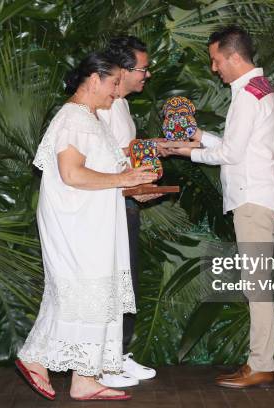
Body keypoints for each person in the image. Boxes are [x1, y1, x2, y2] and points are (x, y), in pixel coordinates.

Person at [15, 51, 159, 402]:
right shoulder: (74, 119)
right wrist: (123, 177)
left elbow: (101, 175)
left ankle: (85, 378)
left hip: (91, 223)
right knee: (80, 293)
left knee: (94, 295)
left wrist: (132, 185)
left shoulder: (90, 118)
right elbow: (72, 173)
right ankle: (34, 357)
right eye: (112, 83)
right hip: (76, 225)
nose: (115, 90)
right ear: (94, 79)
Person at [161, 25, 274, 388]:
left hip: (253, 199)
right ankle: (257, 362)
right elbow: (240, 147)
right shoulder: (258, 88)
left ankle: (261, 364)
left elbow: (230, 154)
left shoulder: (248, 94)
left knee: (256, 285)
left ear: (233, 57)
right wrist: (198, 137)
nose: (214, 68)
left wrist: (185, 150)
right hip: (258, 196)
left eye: (216, 61)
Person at [96, 35, 158, 388]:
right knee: (116, 281)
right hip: (112, 204)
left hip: (124, 202)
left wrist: (155, 150)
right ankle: (107, 362)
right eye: (142, 69)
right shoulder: (106, 105)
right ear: (122, 70)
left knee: (126, 281)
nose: (145, 75)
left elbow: (126, 153)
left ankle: (116, 356)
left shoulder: (119, 105)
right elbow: (110, 159)